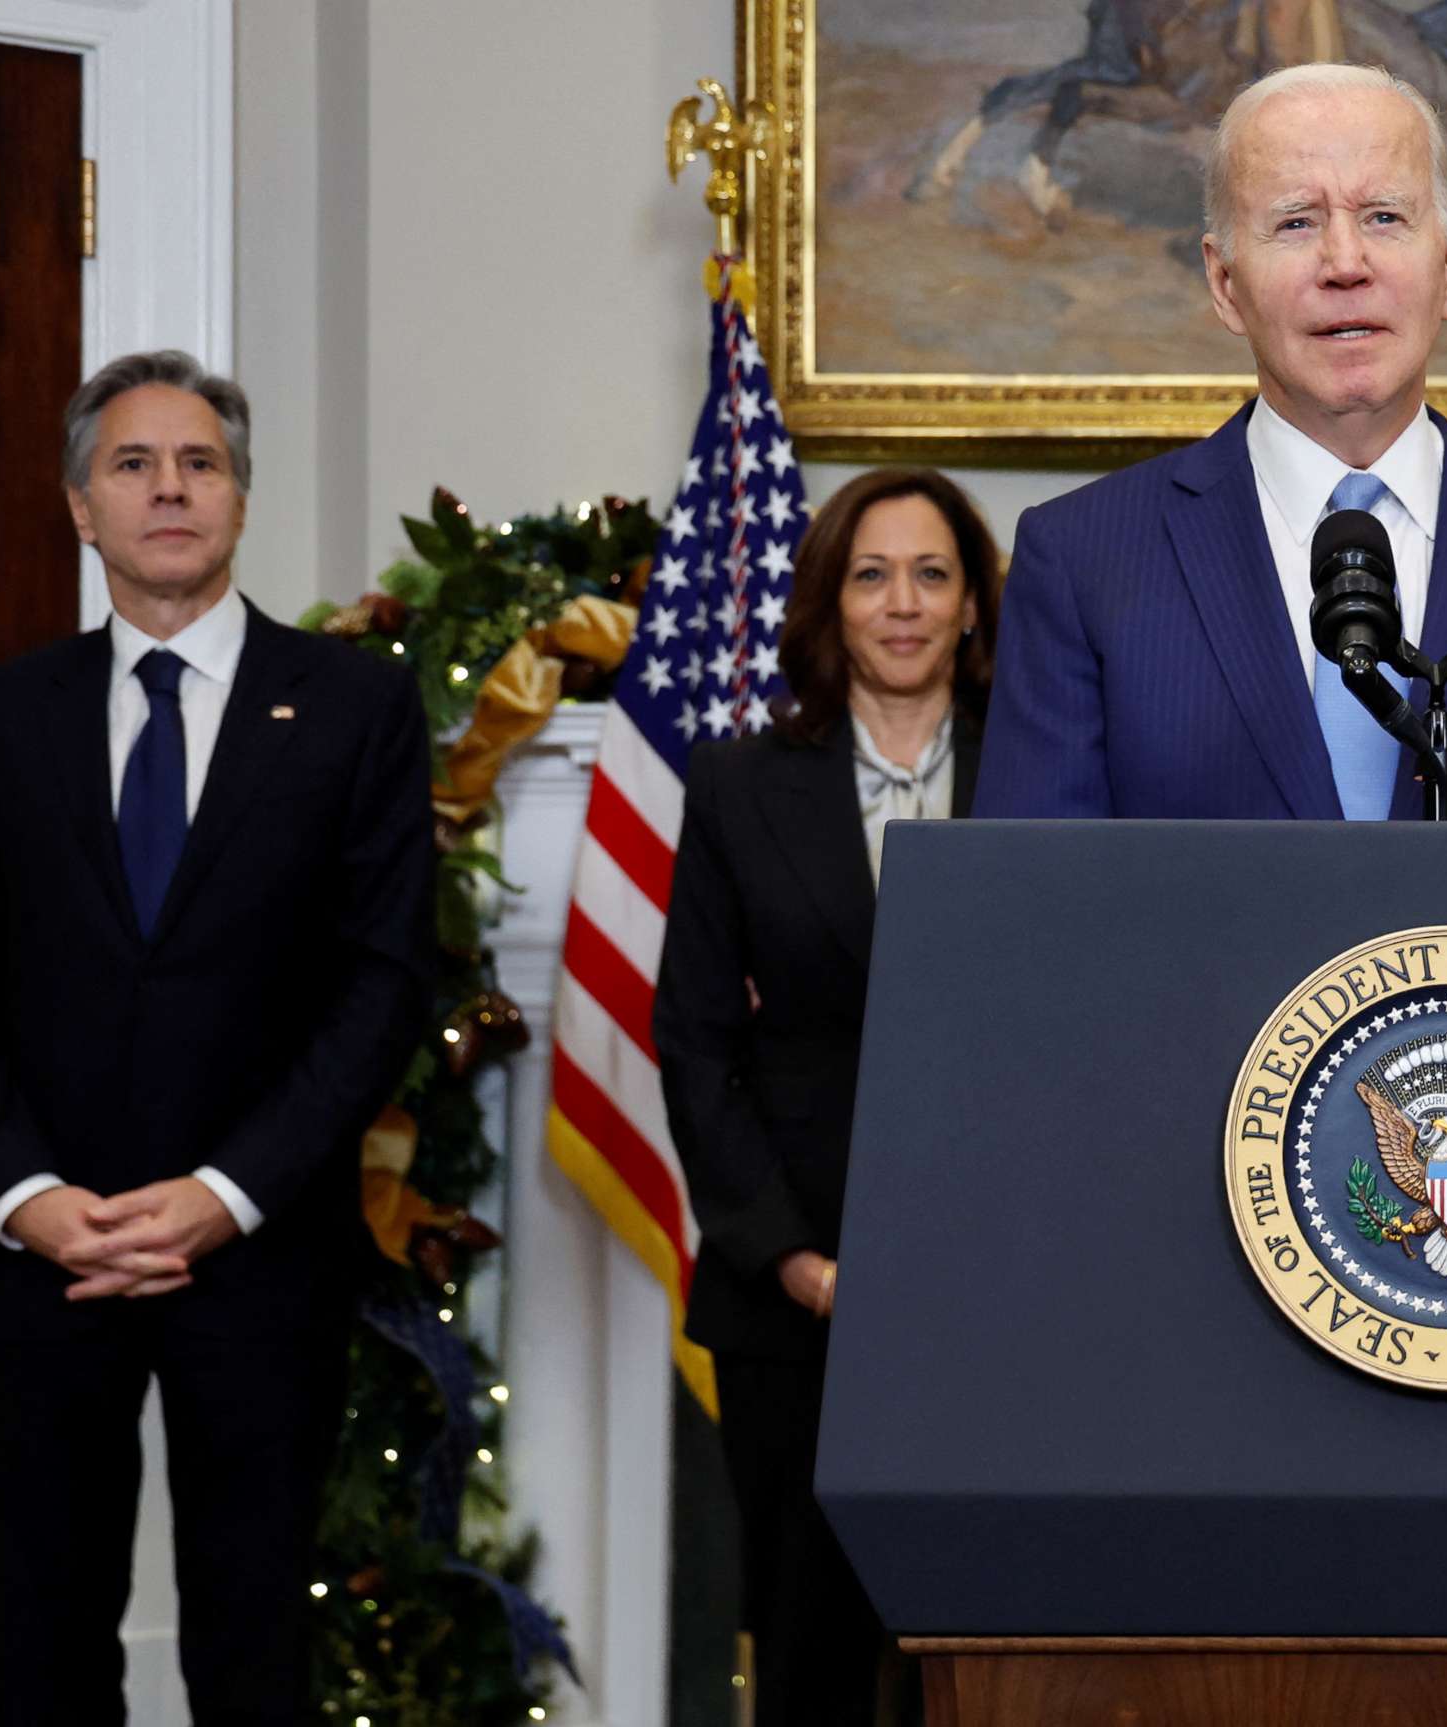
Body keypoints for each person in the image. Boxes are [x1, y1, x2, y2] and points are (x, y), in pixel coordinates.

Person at [0, 351, 434, 1722]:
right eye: (132, 463)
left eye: (199, 461)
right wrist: (30, 1199)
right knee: (41, 1642)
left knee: (253, 1646)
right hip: (44, 1264)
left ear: (241, 498)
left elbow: (379, 984)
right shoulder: (0, 715)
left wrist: (224, 1193)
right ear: (82, 507)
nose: (169, 487)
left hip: (260, 1253)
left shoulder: (355, 707)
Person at [974, 61, 1447, 822]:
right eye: (1296, 221)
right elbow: (1035, 909)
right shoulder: (1081, 560)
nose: (1346, 264)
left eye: (1384, 217)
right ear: (1225, 283)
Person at [653, 468, 1003, 1725]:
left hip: (1001, 1299)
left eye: (931, 573)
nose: (901, 603)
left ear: (972, 604)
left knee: (984, 1652)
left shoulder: (1045, 772)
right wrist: (796, 1259)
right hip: (792, 1297)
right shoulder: (742, 784)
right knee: (806, 1655)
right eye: (871, 574)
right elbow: (693, 1042)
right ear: (828, 604)